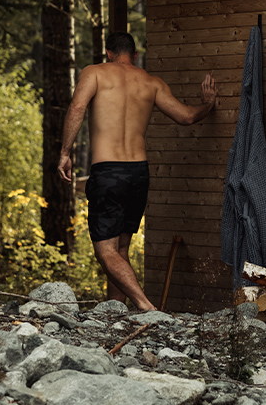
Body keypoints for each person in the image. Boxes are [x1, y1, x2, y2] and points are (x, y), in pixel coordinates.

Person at [59, 32, 217, 311]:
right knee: (120, 249)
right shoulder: (151, 82)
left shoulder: (94, 73)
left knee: (104, 251)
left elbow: (77, 107)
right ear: (133, 55)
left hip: (108, 172)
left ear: (108, 52)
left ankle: (146, 307)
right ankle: (115, 313)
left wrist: (65, 153)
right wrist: (208, 103)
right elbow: (187, 117)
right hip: (138, 174)